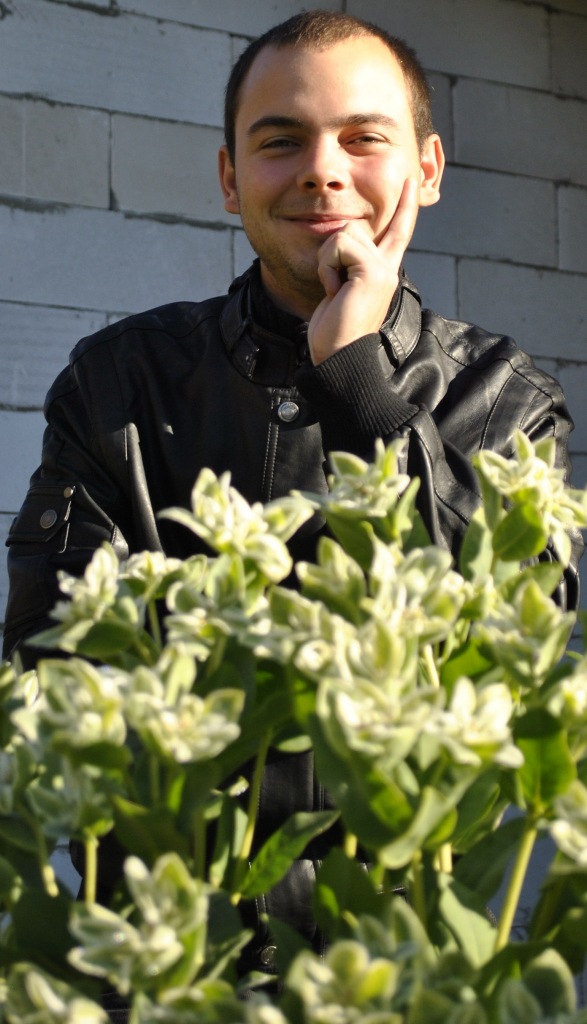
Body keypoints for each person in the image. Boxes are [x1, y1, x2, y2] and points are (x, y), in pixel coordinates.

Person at [2, 5, 582, 989]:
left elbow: (503, 654)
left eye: (363, 139)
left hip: (398, 971)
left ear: (426, 170)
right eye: (280, 142)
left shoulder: (502, 397)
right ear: (231, 179)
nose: (321, 171)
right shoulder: (121, 383)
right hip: (165, 963)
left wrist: (358, 379)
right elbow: (50, 664)